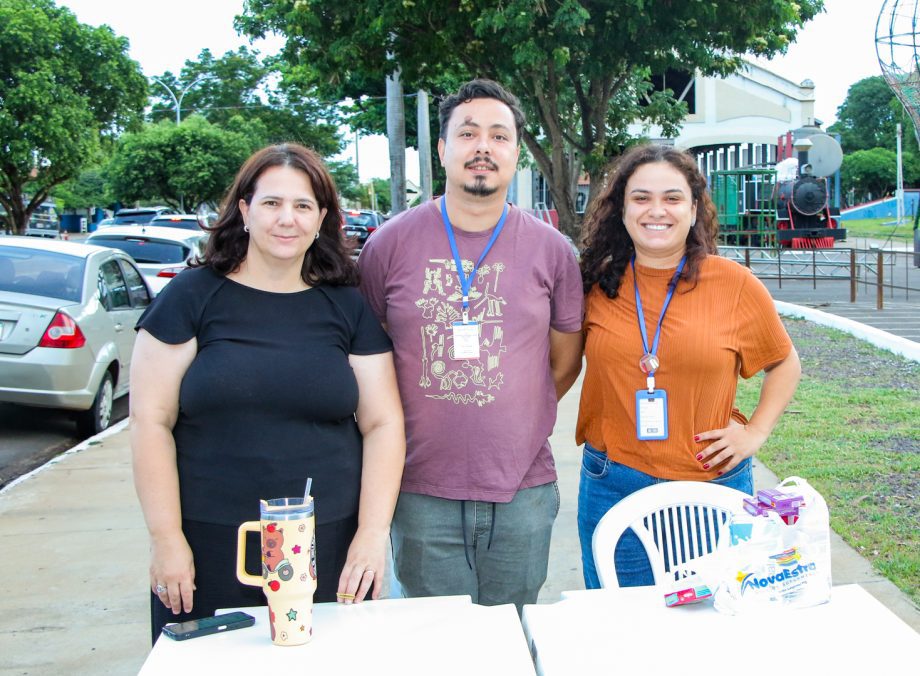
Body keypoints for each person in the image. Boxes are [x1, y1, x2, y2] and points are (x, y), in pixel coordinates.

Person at [131, 143, 405, 643]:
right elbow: (150, 422)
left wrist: (371, 535)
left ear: (322, 218)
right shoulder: (191, 297)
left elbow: (383, 423)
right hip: (211, 545)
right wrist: (166, 538)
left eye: (303, 206)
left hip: (330, 546)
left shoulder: (347, 306)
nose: (287, 219)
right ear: (244, 210)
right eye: (272, 203)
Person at [358, 79, 584, 612]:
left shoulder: (552, 251)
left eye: (499, 136)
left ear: (515, 153)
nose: (483, 147)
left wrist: (512, 405)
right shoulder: (387, 245)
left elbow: (565, 359)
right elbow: (372, 361)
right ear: (441, 150)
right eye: (468, 133)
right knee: (436, 647)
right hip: (417, 489)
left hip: (522, 487)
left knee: (514, 636)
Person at [576, 143, 801, 588]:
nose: (655, 210)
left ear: (694, 210)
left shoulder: (733, 283)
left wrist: (756, 432)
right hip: (613, 483)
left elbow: (785, 363)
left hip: (712, 487)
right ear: (621, 210)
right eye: (640, 198)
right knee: (623, 631)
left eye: (672, 198)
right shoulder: (595, 285)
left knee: (714, 632)